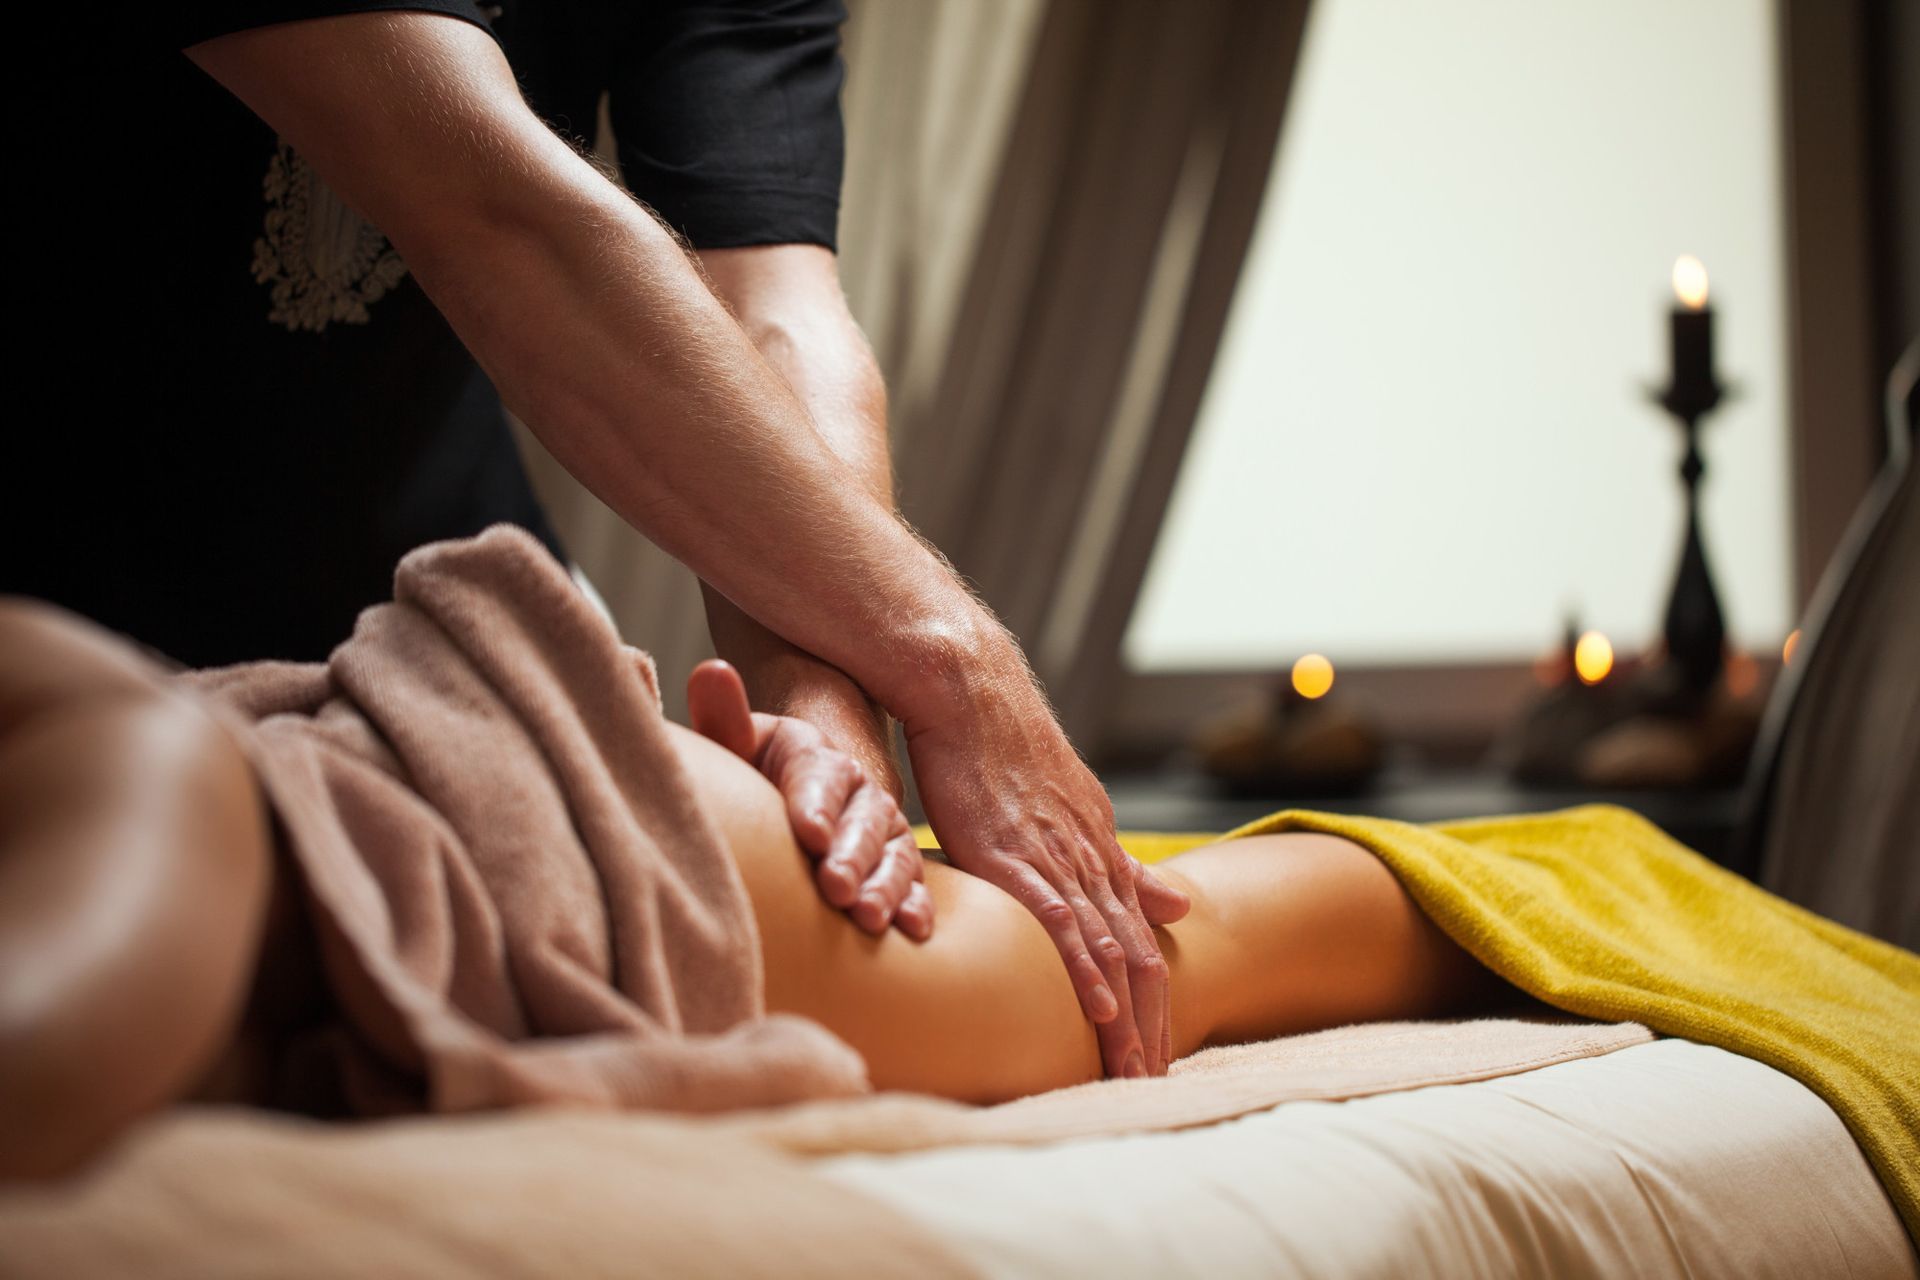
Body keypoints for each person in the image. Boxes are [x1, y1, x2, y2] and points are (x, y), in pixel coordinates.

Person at [4, 3, 1186, 1078]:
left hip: (443, 633)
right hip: (69, 637)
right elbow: (493, 207)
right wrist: (952, 660)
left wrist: (835, 734)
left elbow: (774, 313)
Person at [0, 597, 1506, 1180]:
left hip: (535, 826)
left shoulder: (118, 763)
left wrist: (874, 682)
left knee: (1165, 949)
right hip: (490, 798)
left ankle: (1566, 876)